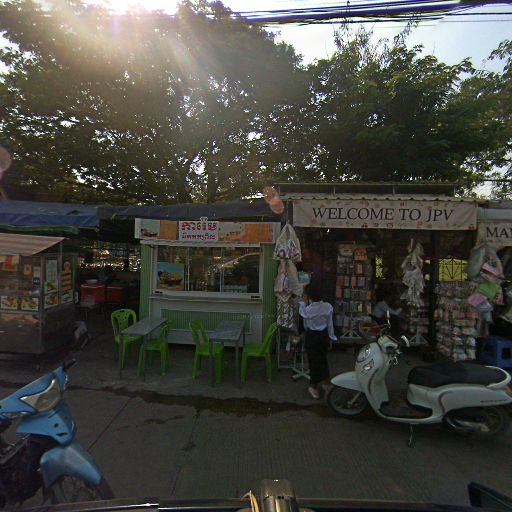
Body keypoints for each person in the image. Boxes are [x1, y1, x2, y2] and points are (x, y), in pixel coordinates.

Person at [299, 285, 337, 399]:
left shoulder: (307, 309)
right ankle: (326, 383)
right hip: (323, 336)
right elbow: (330, 325)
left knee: (313, 361)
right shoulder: (328, 307)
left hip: (311, 336)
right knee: (323, 359)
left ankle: (314, 387)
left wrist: (303, 303)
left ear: (309, 296)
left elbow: (305, 324)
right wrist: (331, 338)